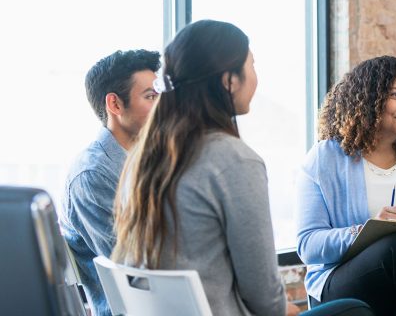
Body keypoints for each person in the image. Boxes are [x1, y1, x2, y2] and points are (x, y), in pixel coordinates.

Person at [111, 20, 372, 316]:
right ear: (229, 80)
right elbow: (265, 299)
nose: (256, 77)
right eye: (251, 65)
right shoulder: (234, 160)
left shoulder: (142, 158)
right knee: (355, 310)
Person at [296, 55, 396, 315]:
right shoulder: (323, 158)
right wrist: (365, 231)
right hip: (340, 284)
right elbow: (308, 245)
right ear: (367, 100)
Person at [59, 49, 161, 316]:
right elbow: (138, 271)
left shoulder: (146, 160)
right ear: (115, 105)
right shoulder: (92, 175)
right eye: (150, 96)